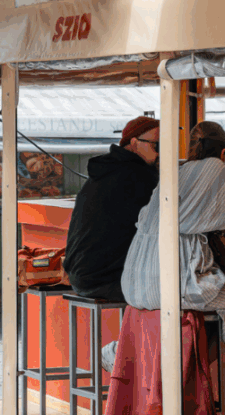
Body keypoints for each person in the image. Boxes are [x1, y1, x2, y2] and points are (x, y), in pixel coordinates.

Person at [119, 121, 225, 363]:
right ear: (223, 152)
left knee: (222, 309)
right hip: (177, 285)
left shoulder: (175, 172)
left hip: (135, 282)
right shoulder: (216, 168)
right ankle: (188, 371)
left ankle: (144, 361)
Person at [62, 116, 161, 301]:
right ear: (134, 143)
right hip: (107, 280)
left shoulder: (106, 171)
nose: (159, 154)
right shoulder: (138, 176)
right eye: (157, 146)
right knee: (179, 288)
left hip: (79, 276)